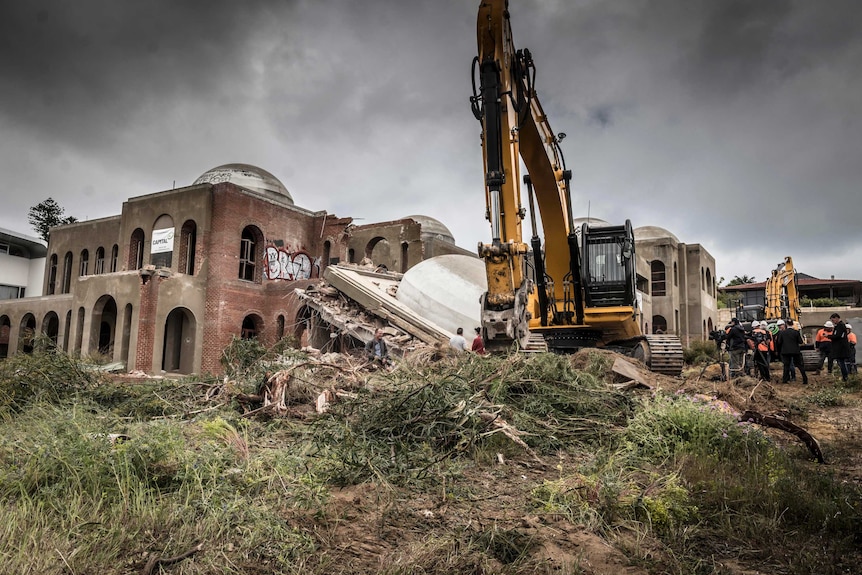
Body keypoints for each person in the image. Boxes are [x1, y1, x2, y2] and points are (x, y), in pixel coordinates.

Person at [774, 319, 808, 385]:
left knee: (786, 366)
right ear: (792, 324)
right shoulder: (796, 332)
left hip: (785, 351)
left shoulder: (782, 333)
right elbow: (800, 341)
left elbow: (779, 342)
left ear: (786, 324)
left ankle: (785, 380)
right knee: (799, 365)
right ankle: (805, 379)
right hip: (795, 351)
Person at [828, 313, 851, 382]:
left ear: (836, 318)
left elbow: (837, 336)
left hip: (841, 348)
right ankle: (845, 376)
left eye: (833, 320)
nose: (833, 322)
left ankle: (845, 377)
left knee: (842, 362)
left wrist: (829, 336)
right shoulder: (839, 326)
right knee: (841, 362)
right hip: (840, 347)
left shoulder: (840, 326)